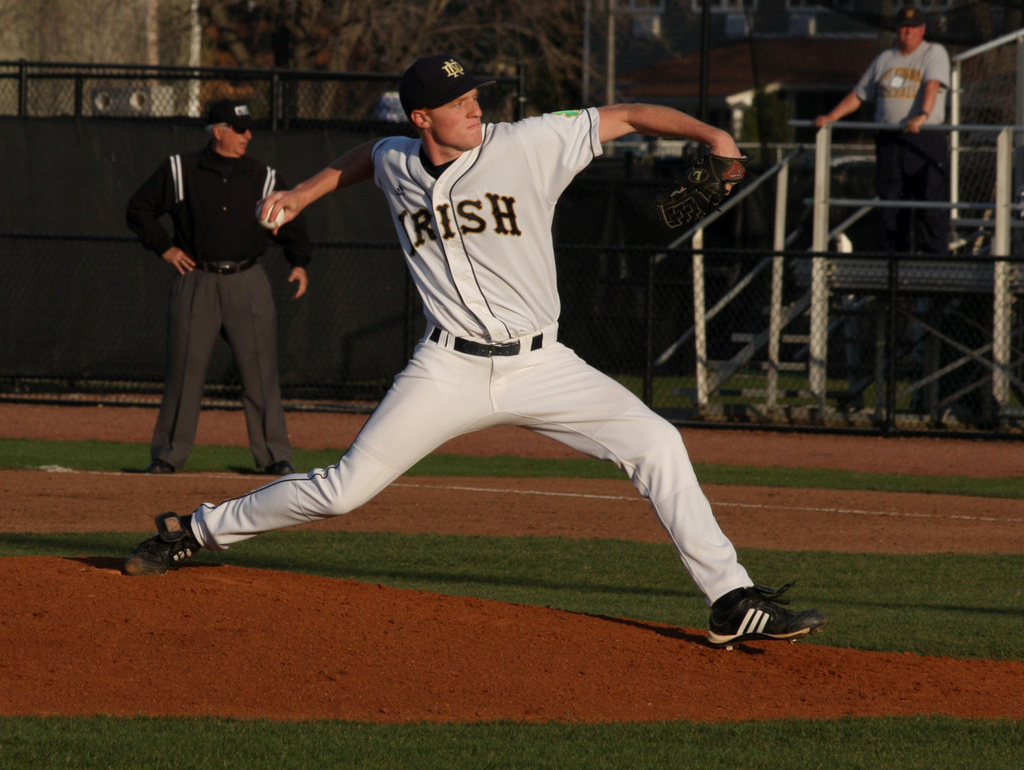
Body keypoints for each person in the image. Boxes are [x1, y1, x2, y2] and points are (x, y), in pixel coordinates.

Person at [123, 55, 827, 648]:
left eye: (473, 96)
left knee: (658, 442)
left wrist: (712, 134)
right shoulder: (399, 155)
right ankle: (194, 528)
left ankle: (730, 599)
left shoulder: (525, 143)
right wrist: (305, 193)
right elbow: (369, 155)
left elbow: (630, 115)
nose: (473, 108)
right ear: (421, 118)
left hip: (542, 363)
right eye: (456, 102)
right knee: (343, 490)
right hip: (448, 366)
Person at [126, 100, 311, 476]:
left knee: (260, 374)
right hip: (197, 279)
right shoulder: (180, 169)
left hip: (248, 280)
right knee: (184, 374)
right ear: (218, 130)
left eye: (248, 128)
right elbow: (138, 210)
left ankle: (274, 456)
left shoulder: (264, 175)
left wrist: (299, 262)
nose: (248, 135)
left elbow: (292, 221)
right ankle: (167, 456)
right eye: (239, 128)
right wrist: (165, 247)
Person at [815, 6, 951, 254]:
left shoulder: (933, 52)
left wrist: (922, 115)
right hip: (890, 140)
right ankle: (895, 262)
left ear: (922, 30)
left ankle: (934, 262)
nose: (906, 32)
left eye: (912, 27)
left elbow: (932, 85)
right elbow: (860, 94)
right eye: (902, 27)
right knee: (891, 202)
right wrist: (831, 117)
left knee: (929, 203)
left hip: (923, 138)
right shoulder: (884, 59)